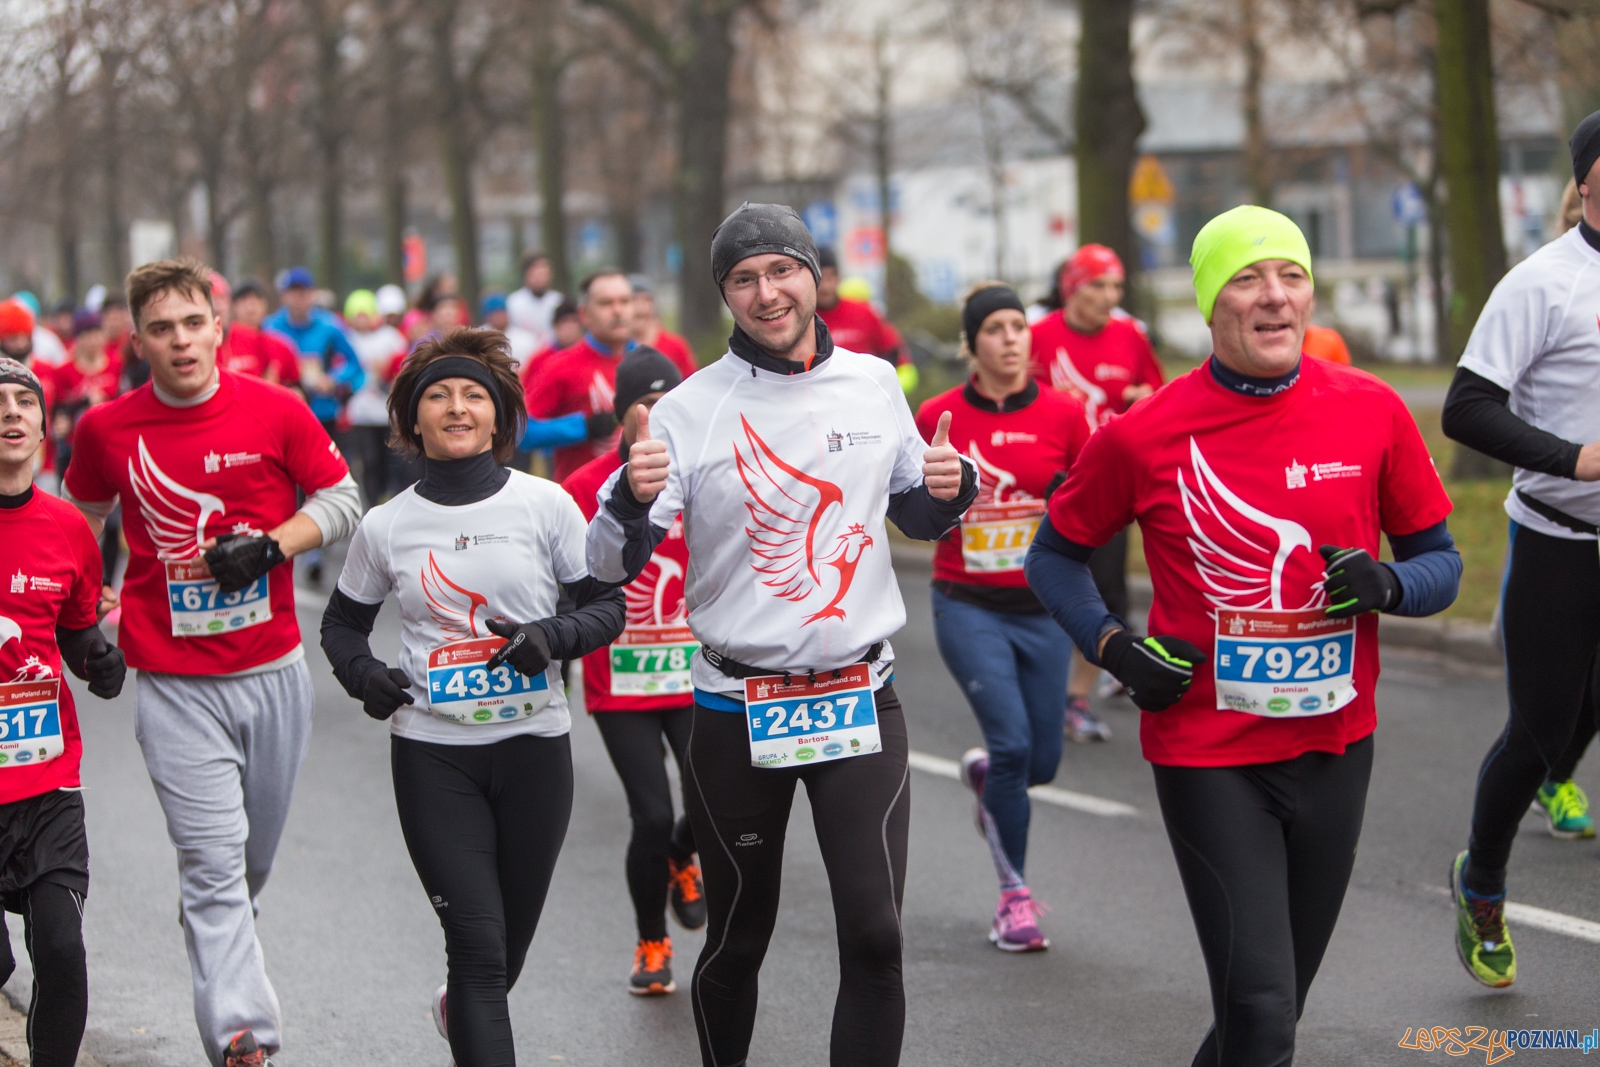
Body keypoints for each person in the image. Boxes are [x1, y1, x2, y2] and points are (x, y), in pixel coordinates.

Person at [1026, 206, 1460, 1064]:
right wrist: (1113, 647)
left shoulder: (1371, 410)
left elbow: (1439, 559)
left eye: (1290, 276)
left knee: (1265, 1011)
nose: (1273, 297)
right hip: (1209, 753)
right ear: (1208, 303)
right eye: (1247, 278)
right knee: (1261, 1009)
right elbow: (1054, 557)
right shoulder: (1143, 435)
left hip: (1336, 747)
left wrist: (1393, 584)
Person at [586, 202, 976, 1067]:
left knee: (875, 933)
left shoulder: (875, 382)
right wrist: (629, 494)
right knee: (739, 934)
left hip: (858, 696)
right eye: (743, 279)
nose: (767, 293)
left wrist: (954, 484)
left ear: (814, 274)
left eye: (782, 270)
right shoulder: (690, 410)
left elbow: (915, 509)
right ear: (724, 293)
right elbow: (611, 564)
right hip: (737, 708)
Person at [62, 259, 362, 1067]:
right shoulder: (105, 430)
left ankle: (219, 921)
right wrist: (84, 616)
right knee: (213, 857)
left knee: (248, 860)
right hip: (173, 681)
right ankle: (243, 1035)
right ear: (138, 342)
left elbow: (341, 500)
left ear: (219, 329)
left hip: (271, 673)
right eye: (161, 329)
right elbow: (76, 530)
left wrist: (270, 545)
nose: (180, 340)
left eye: (193, 323)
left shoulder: (276, 409)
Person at [319, 329, 623, 1067]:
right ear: (411, 421)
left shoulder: (545, 505)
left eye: (473, 395)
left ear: (499, 418)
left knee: (500, 956)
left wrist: (550, 637)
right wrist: (366, 677)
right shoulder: (386, 524)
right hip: (433, 754)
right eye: (438, 396)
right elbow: (341, 626)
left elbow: (605, 609)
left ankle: (459, 1010)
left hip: (534, 749)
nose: (457, 407)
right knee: (479, 951)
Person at [1438, 109, 1600, 988]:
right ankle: (1484, 879)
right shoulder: (1545, 283)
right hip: (1559, 538)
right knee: (1540, 733)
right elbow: (1465, 407)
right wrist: (1572, 456)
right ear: (1585, 181)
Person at [915, 283, 1089, 952]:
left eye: (1019, 325)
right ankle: (1013, 898)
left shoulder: (1065, 415)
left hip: (1042, 608)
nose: (1012, 338)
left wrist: (1064, 507)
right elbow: (911, 511)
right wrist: (936, 493)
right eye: (995, 328)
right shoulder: (939, 414)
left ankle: (990, 778)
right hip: (968, 603)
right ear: (972, 343)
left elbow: (1089, 511)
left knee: (1040, 760)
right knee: (1015, 744)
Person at [561, 348, 707, 997]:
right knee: (650, 814)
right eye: (642, 407)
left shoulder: (703, 475)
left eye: (667, 405)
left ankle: (685, 852)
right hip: (618, 678)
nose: (655, 418)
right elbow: (565, 585)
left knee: (712, 801)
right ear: (622, 414)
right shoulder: (584, 484)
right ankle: (652, 939)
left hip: (693, 670)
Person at [0, 356, 126, 1067]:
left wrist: (97, 660)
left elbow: (77, 627)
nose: (12, 413)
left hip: (47, 780)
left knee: (61, 949)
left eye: (25, 402)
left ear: (44, 428)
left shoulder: (69, 528)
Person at [1030, 243, 1165, 744]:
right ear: (1072, 289)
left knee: (1105, 592)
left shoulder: (1130, 335)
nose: (1109, 297)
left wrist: (1143, 398)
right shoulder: (1038, 337)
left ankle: (1076, 699)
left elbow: (1158, 389)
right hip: (1048, 485)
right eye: (1098, 286)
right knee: (1044, 589)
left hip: (1110, 485)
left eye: (1115, 287)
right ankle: (1036, 689)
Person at [522, 270, 635, 481]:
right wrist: (583, 427)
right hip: (581, 502)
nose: (618, 310)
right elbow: (522, 432)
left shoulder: (652, 363)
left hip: (644, 500)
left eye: (625, 301)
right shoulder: (559, 366)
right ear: (584, 314)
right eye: (606, 303)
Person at [263, 266, 363, 438]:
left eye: (303, 293)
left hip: (322, 412)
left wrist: (333, 379)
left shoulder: (330, 325)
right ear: (284, 296)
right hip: (283, 412)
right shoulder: (270, 327)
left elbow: (354, 363)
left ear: (313, 295)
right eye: (293, 293)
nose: (298, 299)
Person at [814, 248, 915, 391]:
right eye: (820, 278)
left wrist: (884, 390)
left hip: (866, 398)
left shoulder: (864, 312)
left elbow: (896, 356)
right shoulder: (803, 319)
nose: (826, 286)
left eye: (831, 277)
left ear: (839, 277)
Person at [343, 289, 408, 507]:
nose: (361, 320)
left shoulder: (390, 337)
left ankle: (390, 499)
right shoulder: (347, 339)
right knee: (368, 462)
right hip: (360, 413)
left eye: (365, 314)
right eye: (356, 315)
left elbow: (405, 364)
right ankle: (371, 503)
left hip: (387, 411)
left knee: (391, 460)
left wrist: (388, 369)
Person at [215, 276, 300, 388]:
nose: (251, 307)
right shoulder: (219, 342)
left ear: (265, 305)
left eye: (257, 300)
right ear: (233, 306)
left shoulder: (280, 345)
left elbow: (297, 386)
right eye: (244, 300)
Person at [627, 274, 698, 378]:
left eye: (647, 300)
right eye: (633, 299)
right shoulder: (615, 346)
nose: (640, 307)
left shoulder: (675, 345)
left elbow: (692, 382)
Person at [507, 252, 563, 352]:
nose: (540, 279)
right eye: (536, 274)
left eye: (544, 274)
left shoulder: (559, 301)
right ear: (526, 275)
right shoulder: (513, 303)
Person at [480, 292, 538, 368]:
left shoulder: (526, 339)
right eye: (494, 314)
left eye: (501, 313)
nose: (498, 317)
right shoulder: (479, 337)